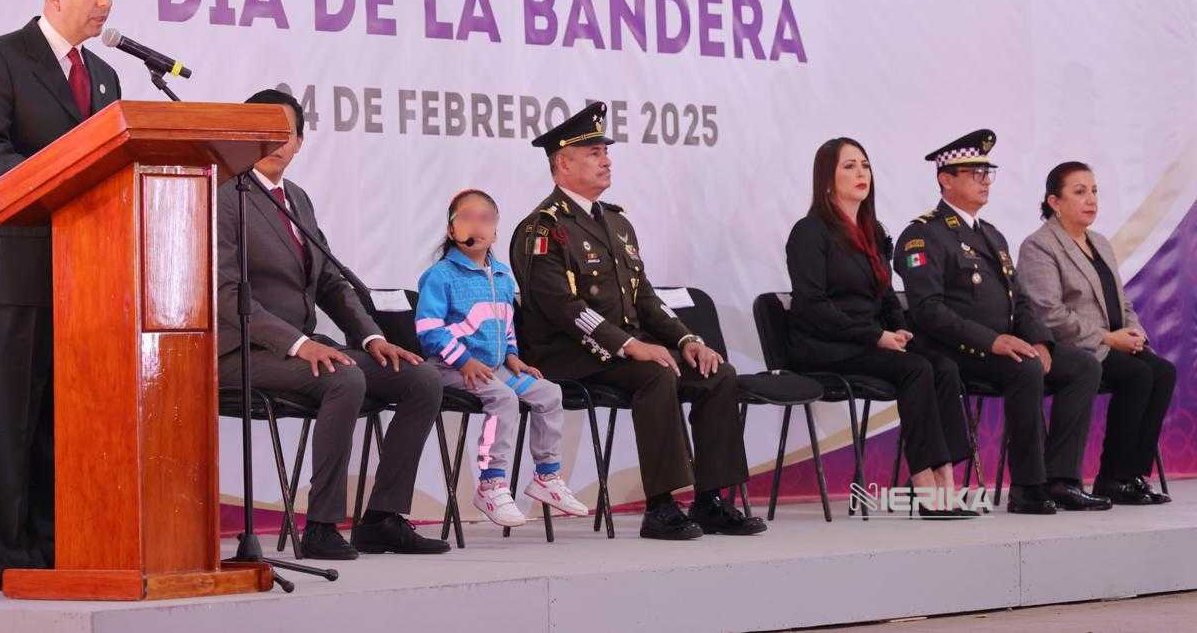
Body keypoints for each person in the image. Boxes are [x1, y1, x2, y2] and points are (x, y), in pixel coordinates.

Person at [509, 102, 765, 540]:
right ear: (562, 165)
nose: (606, 159)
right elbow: (563, 309)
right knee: (654, 374)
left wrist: (687, 339)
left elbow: (643, 296)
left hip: (623, 347)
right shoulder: (542, 228)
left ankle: (711, 500)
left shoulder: (617, 222)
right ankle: (661, 507)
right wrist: (629, 345)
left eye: (605, 151)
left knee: (716, 372)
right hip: (567, 353)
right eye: (593, 153)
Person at [217, 89, 447, 558]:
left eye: (288, 132)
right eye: (267, 130)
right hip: (242, 351)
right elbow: (226, 294)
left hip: (304, 346)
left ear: (301, 142)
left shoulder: (296, 199)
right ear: (244, 135)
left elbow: (330, 281)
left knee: (420, 378)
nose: (278, 141)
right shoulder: (223, 192)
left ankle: (382, 517)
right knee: (343, 376)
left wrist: (372, 336)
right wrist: (300, 344)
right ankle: (321, 525)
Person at [0, 0, 121, 589]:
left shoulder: (107, 76)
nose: (105, 1)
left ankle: (64, 547)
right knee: (14, 418)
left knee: (70, 417)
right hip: (18, 270)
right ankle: (17, 560)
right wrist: (57, 186)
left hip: (89, 274)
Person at [894, 130, 1109, 515]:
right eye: (974, 172)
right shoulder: (923, 235)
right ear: (946, 178)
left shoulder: (991, 235)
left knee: (1082, 366)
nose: (984, 181)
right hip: (954, 351)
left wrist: (1042, 341)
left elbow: (1020, 301)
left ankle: (1061, 479)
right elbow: (929, 310)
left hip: (1003, 346)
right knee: (1023, 367)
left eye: (987, 172)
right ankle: (1028, 486)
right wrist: (992, 341)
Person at [786, 138, 972, 517]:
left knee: (944, 365)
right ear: (826, 178)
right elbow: (811, 306)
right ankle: (924, 485)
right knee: (916, 369)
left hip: (870, 340)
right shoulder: (809, 232)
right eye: (849, 166)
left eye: (865, 166)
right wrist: (874, 336)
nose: (860, 174)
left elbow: (886, 295)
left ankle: (947, 478)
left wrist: (900, 331)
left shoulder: (873, 230)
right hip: (825, 343)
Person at [416, 189, 589, 527]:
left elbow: (506, 325)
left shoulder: (502, 276)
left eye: (486, 219)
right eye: (466, 217)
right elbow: (429, 330)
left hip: (496, 367)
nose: (476, 225)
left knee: (549, 392)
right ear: (452, 230)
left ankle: (547, 476)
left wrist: (512, 356)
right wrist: (464, 361)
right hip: (450, 367)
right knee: (503, 398)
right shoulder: (440, 276)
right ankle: (491, 483)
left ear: (495, 230)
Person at [1017, 162, 1174, 505]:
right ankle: (1111, 478)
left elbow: (1122, 301)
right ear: (1054, 202)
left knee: (1162, 371)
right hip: (1071, 348)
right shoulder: (1039, 246)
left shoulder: (1100, 242)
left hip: (1113, 343)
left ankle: (1130, 475)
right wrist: (1107, 338)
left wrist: (1135, 332)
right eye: (1079, 191)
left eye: (1094, 191)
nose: (1091, 199)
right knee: (1137, 375)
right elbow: (1048, 313)